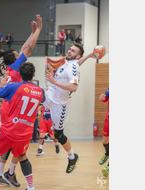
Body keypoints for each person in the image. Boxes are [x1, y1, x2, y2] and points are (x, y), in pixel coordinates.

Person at [0, 14, 43, 188]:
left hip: (9, 106)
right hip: (13, 109)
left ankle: (3, 173)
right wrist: (38, 31)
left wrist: (33, 32)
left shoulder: (10, 70)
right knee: (16, 143)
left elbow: (25, 47)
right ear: (14, 59)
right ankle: (6, 173)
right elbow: (28, 48)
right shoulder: (15, 67)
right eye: (16, 53)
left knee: (11, 142)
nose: (19, 52)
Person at [0, 62, 45, 190]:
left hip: (9, 130)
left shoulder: (14, 87)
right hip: (26, 133)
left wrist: (1, 85)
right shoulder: (40, 92)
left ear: (20, 75)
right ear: (34, 74)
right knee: (22, 156)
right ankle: (31, 187)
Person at [44, 43, 99, 173]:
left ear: (77, 54)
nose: (69, 51)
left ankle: (72, 157)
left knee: (59, 134)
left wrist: (54, 82)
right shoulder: (70, 62)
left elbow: (74, 87)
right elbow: (77, 63)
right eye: (70, 49)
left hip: (60, 104)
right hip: (49, 96)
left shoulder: (73, 66)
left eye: (72, 51)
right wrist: (90, 56)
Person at [99, 88, 109, 177]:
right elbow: (106, 99)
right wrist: (102, 97)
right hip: (109, 118)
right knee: (105, 141)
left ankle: (109, 167)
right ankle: (107, 153)